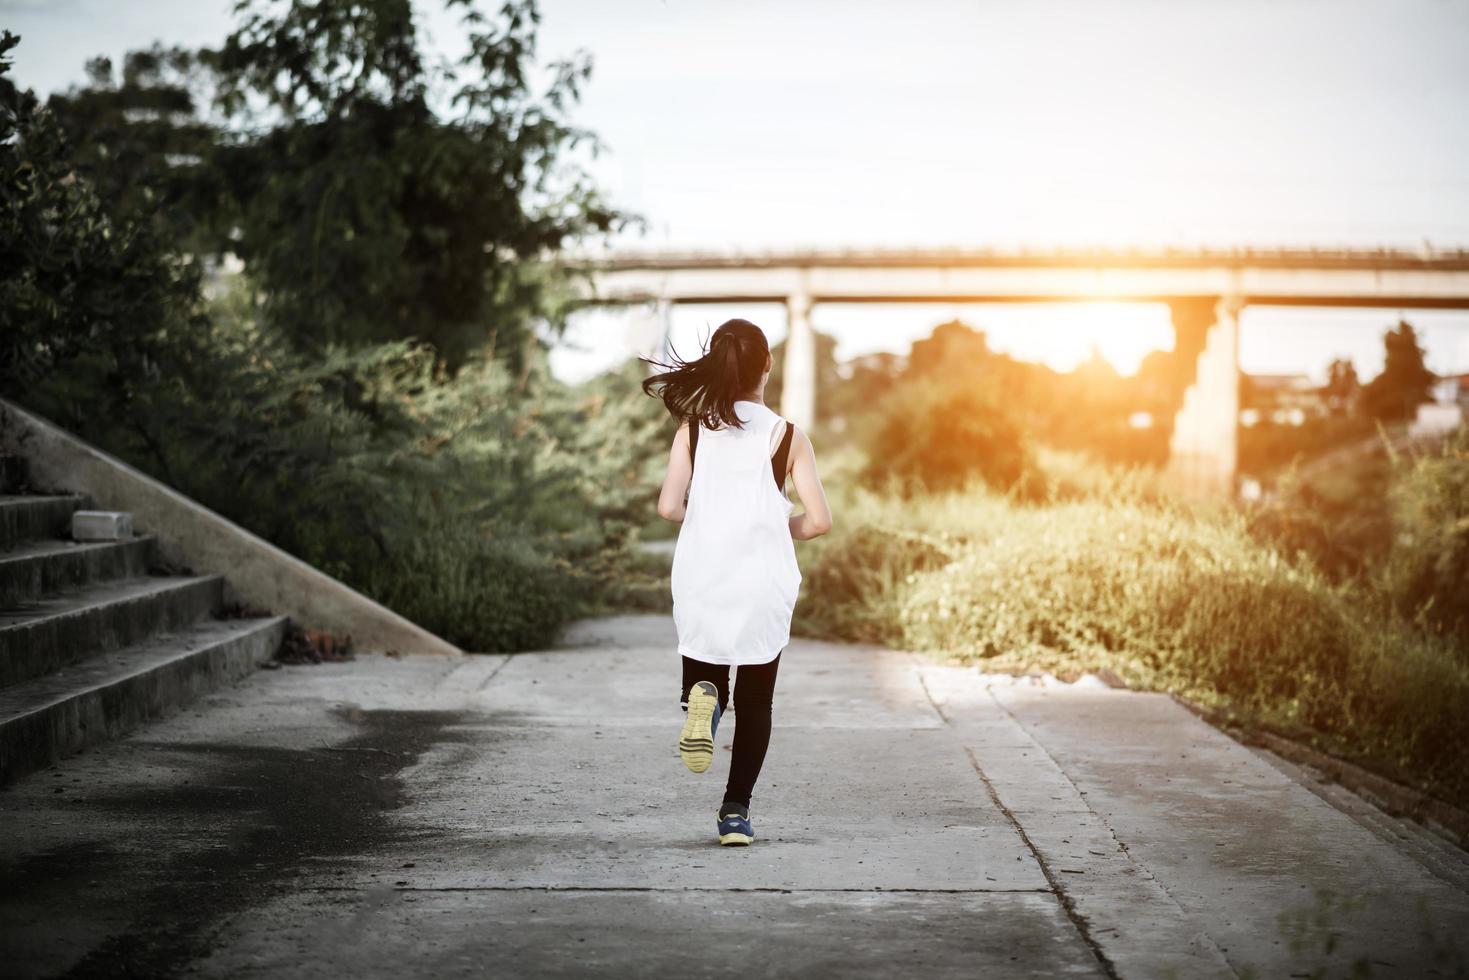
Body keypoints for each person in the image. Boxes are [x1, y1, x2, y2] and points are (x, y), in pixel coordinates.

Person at [641, 318, 833, 846]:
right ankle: (734, 814)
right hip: (761, 583)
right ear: (767, 365)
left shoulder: (694, 430)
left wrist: (712, 520)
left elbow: (667, 506)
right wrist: (775, 525)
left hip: (704, 574)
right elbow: (818, 521)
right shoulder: (786, 437)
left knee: (706, 674)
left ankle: (702, 699)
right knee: (757, 700)